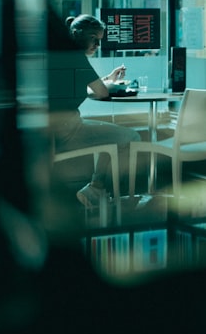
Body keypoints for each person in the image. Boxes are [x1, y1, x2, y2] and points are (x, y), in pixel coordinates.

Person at [48, 12, 140, 208]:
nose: (97, 46)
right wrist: (110, 85)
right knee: (131, 137)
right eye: (95, 40)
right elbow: (101, 93)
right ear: (81, 35)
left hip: (52, 132)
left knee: (112, 136)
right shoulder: (77, 59)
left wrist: (108, 78)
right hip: (68, 131)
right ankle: (103, 191)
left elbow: (90, 88)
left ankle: (96, 189)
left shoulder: (61, 56)